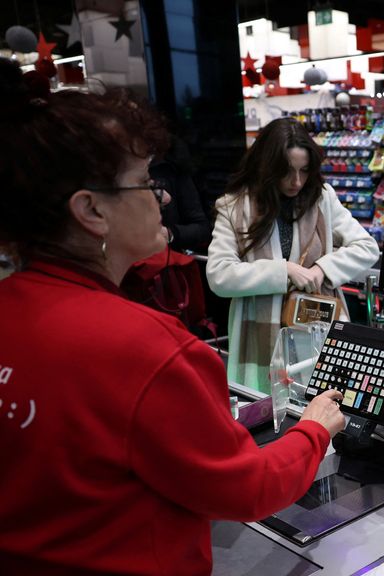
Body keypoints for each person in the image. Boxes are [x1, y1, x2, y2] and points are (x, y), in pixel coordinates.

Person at [0, 60, 348, 573]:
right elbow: (247, 487)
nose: (161, 196)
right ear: (91, 210)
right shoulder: (149, 351)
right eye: (144, 182)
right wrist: (315, 429)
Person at [207, 117, 380, 394]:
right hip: (259, 337)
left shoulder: (322, 198)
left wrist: (323, 268)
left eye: (304, 170)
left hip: (318, 326)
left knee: (324, 408)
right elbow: (219, 275)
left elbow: (366, 246)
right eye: (287, 171)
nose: (297, 182)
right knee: (266, 412)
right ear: (267, 166)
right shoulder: (235, 207)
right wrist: (282, 270)